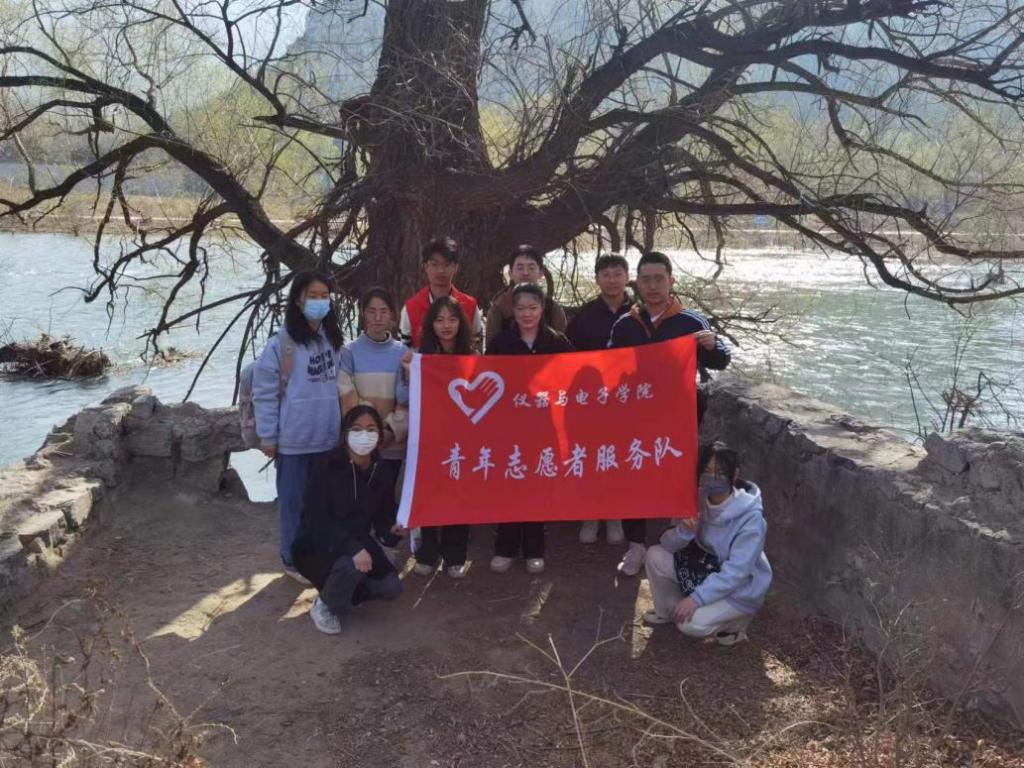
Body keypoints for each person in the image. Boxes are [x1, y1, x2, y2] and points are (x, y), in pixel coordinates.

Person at [610, 250, 731, 577]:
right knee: (634, 477)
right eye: (646, 280)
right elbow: (609, 368)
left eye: (659, 279)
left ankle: (675, 544)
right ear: (636, 284)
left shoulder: (691, 322)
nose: (652, 286)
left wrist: (713, 346)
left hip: (678, 419)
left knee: (676, 478)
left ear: (671, 281)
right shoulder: (625, 325)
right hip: (636, 418)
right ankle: (636, 546)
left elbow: (720, 361)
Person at [252, 270, 345, 585]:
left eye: (324, 296)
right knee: (293, 504)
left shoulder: (333, 340)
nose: (319, 302)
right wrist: (268, 435)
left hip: (327, 438)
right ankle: (291, 560)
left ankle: (317, 555)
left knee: (322, 504)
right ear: (298, 300)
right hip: (293, 441)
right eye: (312, 296)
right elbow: (264, 392)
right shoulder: (282, 344)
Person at [642, 441, 771, 646]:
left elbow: (737, 572)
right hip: (703, 569)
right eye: (707, 471)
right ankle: (668, 611)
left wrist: (697, 599)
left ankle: (736, 624)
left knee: (689, 624)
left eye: (721, 472)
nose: (713, 478)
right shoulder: (696, 498)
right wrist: (684, 532)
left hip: (739, 588)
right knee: (654, 555)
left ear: (735, 474)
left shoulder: (751, 518)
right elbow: (667, 545)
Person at [291, 406, 404, 634]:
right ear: (345, 433)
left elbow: (382, 518)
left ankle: (343, 590)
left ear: (380, 435)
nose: (364, 435)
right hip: (316, 544)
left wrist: (393, 531)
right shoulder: (325, 465)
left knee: (391, 588)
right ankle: (325, 605)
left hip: (359, 541)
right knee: (352, 565)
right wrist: (353, 548)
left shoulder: (381, 470)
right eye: (357, 429)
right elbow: (316, 519)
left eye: (371, 429)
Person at [487, 282, 574, 574]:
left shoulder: (557, 342)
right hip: (509, 426)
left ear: (542, 308)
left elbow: (571, 379)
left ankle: (535, 548)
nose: (527, 314)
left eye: (533, 308)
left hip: (545, 426)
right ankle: (506, 547)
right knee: (510, 483)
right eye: (521, 308)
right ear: (513, 310)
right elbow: (487, 379)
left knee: (537, 484)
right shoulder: (501, 343)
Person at [565, 253, 635, 546]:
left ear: (627, 277)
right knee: (591, 456)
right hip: (591, 400)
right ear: (597, 279)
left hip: (626, 400)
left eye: (618, 274)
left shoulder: (639, 313)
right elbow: (567, 357)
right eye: (605, 274)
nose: (612, 280)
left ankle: (615, 515)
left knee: (620, 457)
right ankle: (591, 515)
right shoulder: (585, 315)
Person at [338, 287, 409, 559]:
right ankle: (359, 549)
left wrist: (390, 430)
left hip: (391, 442)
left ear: (392, 316)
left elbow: (406, 399)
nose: (378, 318)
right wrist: (369, 432)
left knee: (386, 494)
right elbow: (347, 393)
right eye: (371, 311)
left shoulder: (403, 353)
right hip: (361, 442)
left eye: (383, 312)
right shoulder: (349, 352)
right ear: (363, 314)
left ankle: (387, 546)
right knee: (360, 495)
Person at [408, 296, 474, 578]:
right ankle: (427, 554)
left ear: (461, 323)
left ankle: (455, 556)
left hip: (463, 440)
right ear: (430, 325)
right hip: (429, 439)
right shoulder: (420, 358)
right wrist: (409, 371)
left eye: (452, 319)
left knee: (459, 498)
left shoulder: (473, 358)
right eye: (439, 320)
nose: (446, 325)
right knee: (429, 495)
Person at [399, 238, 485, 352]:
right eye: (434, 264)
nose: (441, 270)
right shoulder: (411, 307)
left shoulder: (470, 305)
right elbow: (403, 352)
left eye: (447, 264)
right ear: (425, 267)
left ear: (456, 267)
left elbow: (477, 350)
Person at [485, 244, 567, 345]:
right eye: (520, 268)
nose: (525, 273)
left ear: (541, 273)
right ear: (510, 273)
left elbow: (563, 348)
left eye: (531, 268)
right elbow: (491, 350)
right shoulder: (499, 309)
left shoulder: (552, 309)